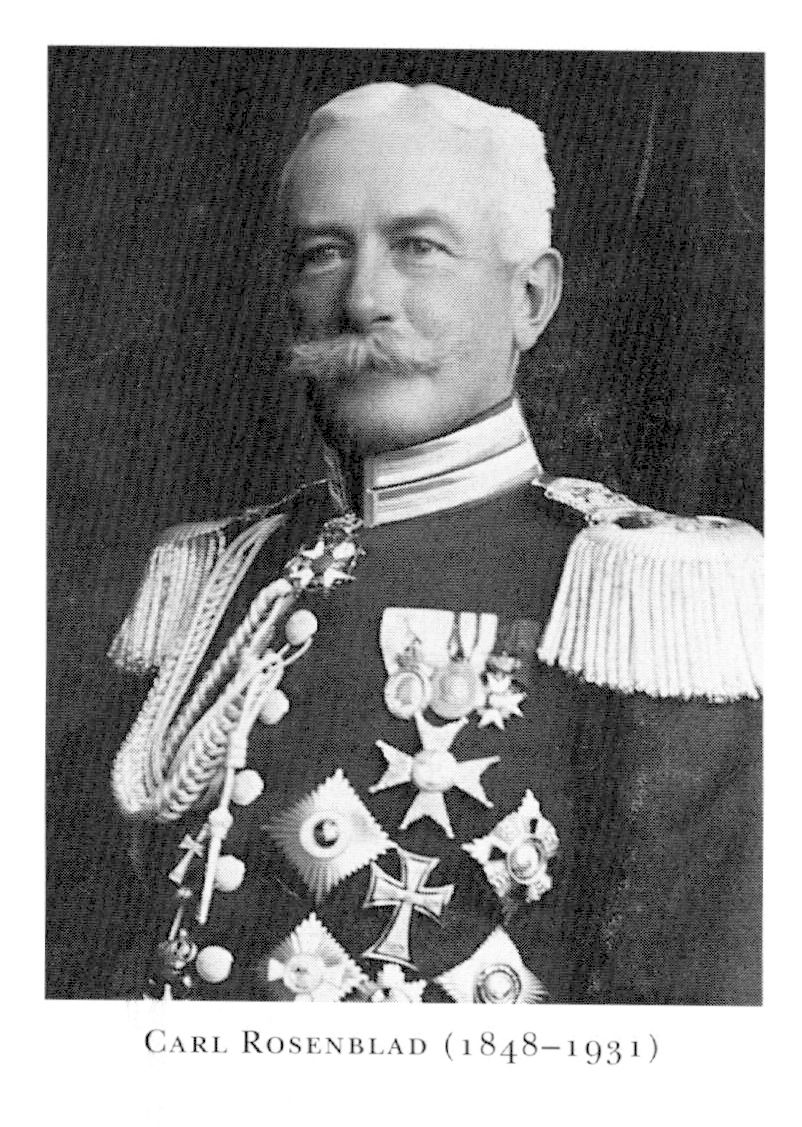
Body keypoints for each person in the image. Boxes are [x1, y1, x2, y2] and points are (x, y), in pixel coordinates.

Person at [107, 82, 762, 1004]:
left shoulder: (655, 595)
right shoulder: (214, 578)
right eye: (324, 252)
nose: (363, 298)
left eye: (418, 246)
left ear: (530, 297)